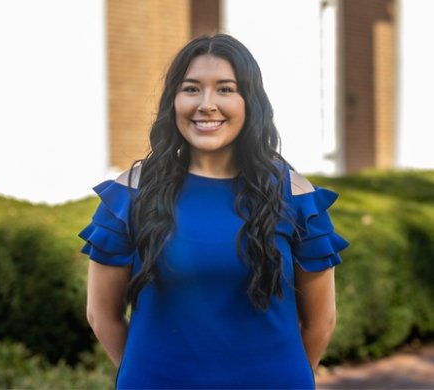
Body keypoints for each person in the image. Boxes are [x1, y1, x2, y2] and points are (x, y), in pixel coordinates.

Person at [79, 33, 348, 389]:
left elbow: (321, 322)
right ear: (173, 100)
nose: (207, 104)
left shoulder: (295, 194)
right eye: (191, 89)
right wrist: (148, 374)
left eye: (225, 89)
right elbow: (102, 316)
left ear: (249, 102)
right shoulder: (131, 194)